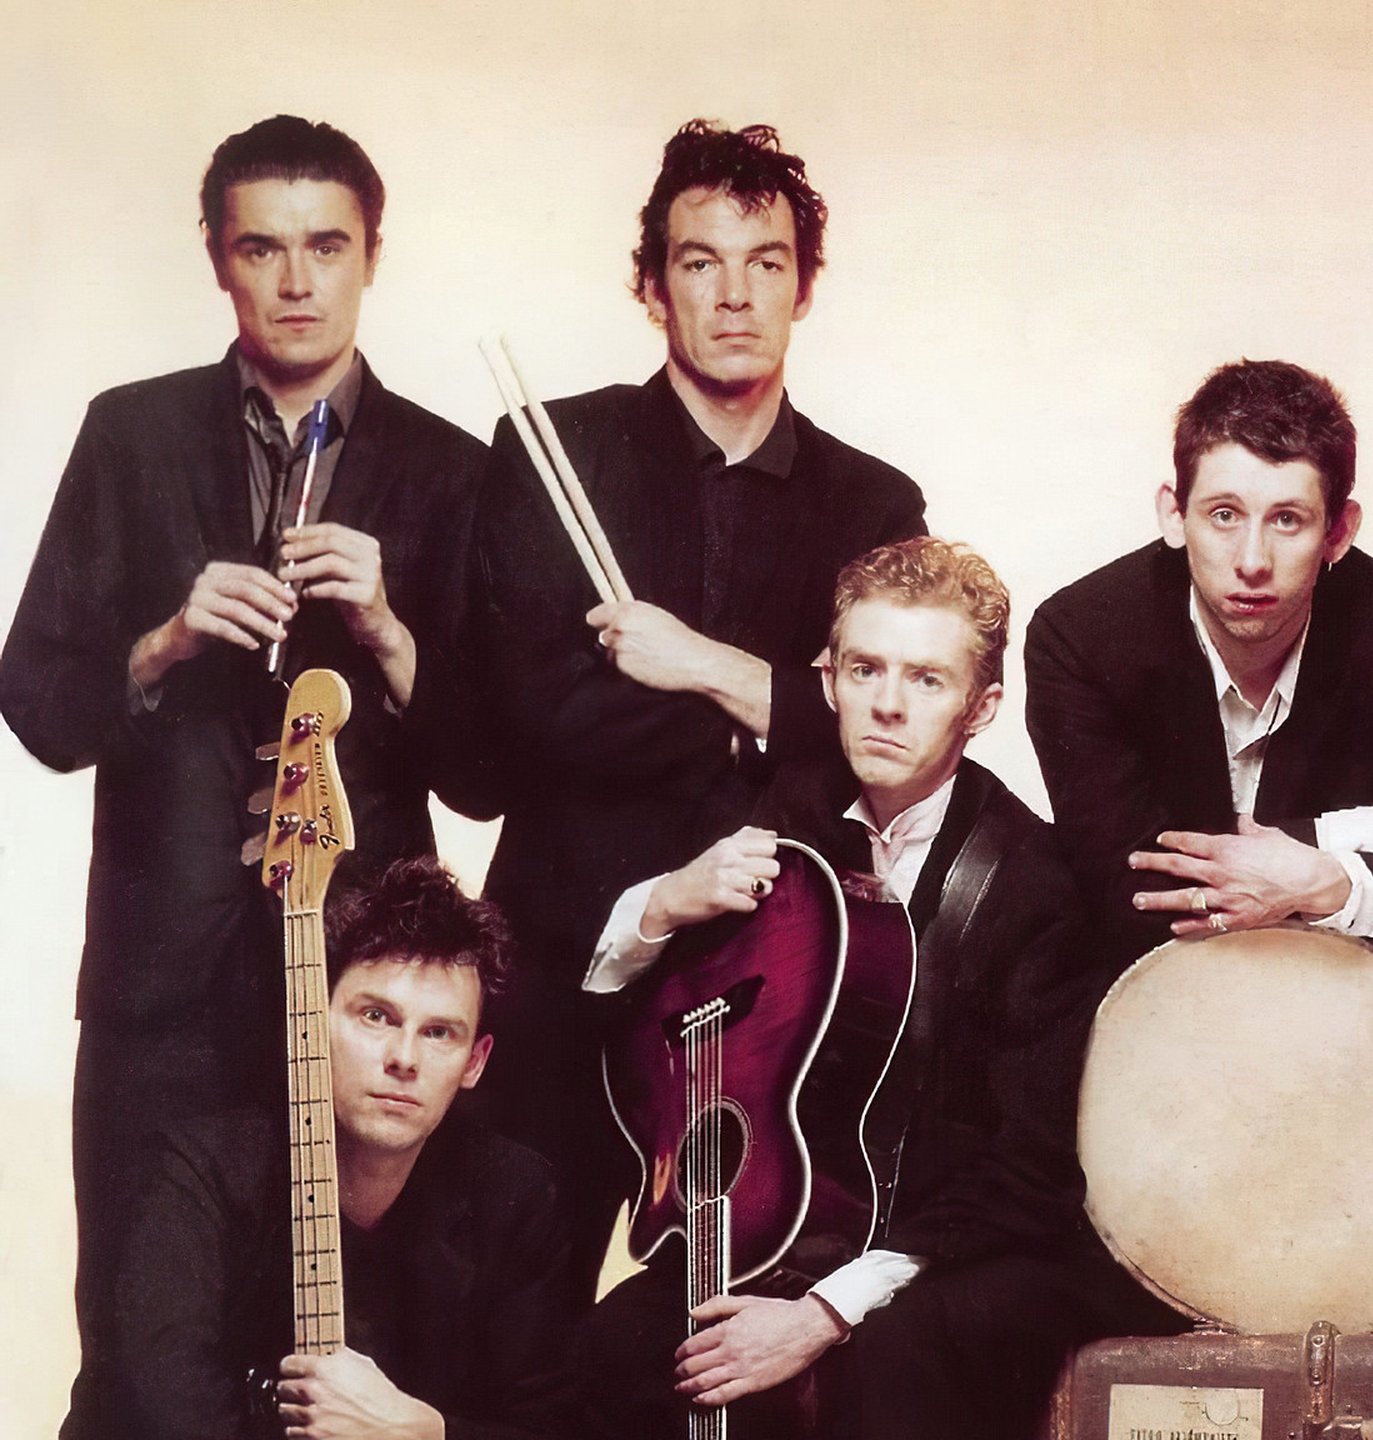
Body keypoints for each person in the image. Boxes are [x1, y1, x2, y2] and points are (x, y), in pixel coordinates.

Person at [0, 115, 493, 1435]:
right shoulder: (131, 435)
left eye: (326, 245)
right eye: (261, 246)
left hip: (353, 986)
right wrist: (158, 641)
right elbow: (40, 706)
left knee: (341, 1338)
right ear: (218, 259)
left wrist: (391, 630)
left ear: (371, 257)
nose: (295, 278)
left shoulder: (452, 467)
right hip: (160, 981)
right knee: (134, 1334)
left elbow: (491, 765)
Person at [574, 538, 1186, 1439]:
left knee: (894, 1365)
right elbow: (652, 1029)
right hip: (787, 1231)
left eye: (927, 681)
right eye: (865, 669)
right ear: (828, 680)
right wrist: (661, 906)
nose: (888, 706)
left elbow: (1029, 1172)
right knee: (612, 1349)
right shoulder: (777, 815)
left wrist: (824, 1313)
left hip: (954, 1252)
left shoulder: (1036, 883)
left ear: (981, 709)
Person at [466, 119, 928, 1278]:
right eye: (699, 261)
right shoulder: (547, 449)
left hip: (772, 976)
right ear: (648, 283)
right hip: (566, 945)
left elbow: (885, 741)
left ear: (804, 288)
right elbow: (533, 717)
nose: (734, 295)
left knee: (737, 1327)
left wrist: (699, 665)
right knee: (514, 1313)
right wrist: (780, 706)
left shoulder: (873, 502)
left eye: (766, 262)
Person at [1027, 358, 1373, 971]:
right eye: (1224, 514)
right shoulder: (1082, 637)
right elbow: (1126, 900)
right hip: (1150, 1009)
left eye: (1287, 519)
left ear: (1339, 532)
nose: (1252, 560)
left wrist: (1329, 886)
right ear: (1173, 515)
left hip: (1339, 999)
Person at [93, 856, 578, 1440]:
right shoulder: (201, 1174)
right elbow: (161, 1406)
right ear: (311, 1023)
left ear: (475, 1061)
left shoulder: (516, 1196)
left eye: (438, 1032)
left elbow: (550, 1427)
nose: (404, 1058)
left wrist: (423, 1431)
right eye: (376, 1016)